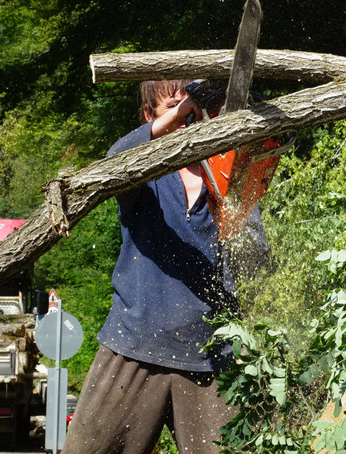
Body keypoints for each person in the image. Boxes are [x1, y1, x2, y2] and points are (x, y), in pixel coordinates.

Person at [62, 79, 260, 454]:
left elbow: (256, 257)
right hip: (134, 345)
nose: (185, 117)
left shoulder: (227, 177)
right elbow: (111, 165)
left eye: (192, 106)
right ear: (149, 116)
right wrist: (170, 123)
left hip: (212, 358)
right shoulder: (144, 177)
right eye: (173, 107)